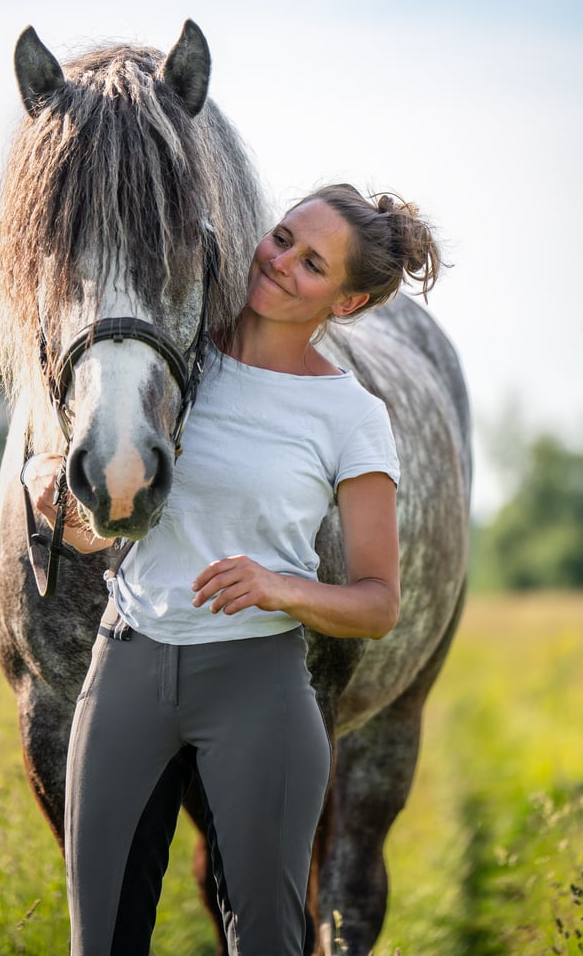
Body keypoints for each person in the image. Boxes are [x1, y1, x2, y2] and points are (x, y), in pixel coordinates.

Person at [22, 183, 441, 955]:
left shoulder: (350, 415)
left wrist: (276, 585)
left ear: (343, 305)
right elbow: (98, 537)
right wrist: (50, 494)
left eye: (311, 264)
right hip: (125, 674)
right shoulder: (173, 363)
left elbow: (379, 604)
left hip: (259, 692)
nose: (278, 263)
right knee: (100, 940)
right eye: (282, 237)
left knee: (268, 943)